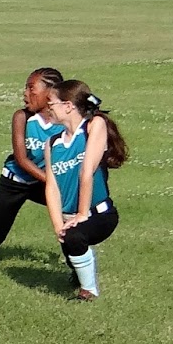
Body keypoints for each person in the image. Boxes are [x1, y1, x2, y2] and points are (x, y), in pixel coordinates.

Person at [0, 67, 64, 266]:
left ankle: (78, 265)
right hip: (14, 183)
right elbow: (21, 159)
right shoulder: (23, 117)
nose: (25, 94)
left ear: (51, 92)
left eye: (31, 88)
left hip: (43, 183)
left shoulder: (65, 120)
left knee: (72, 220)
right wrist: (52, 183)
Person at [43, 80, 128, 300]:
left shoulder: (93, 126)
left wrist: (82, 214)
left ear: (68, 106)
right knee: (71, 244)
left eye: (51, 103)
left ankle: (89, 292)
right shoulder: (52, 143)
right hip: (69, 218)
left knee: (75, 237)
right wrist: (58, 226)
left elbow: (86, 171)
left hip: (99, 214)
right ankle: (79, 273)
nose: (48, 108)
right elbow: (51, 186)